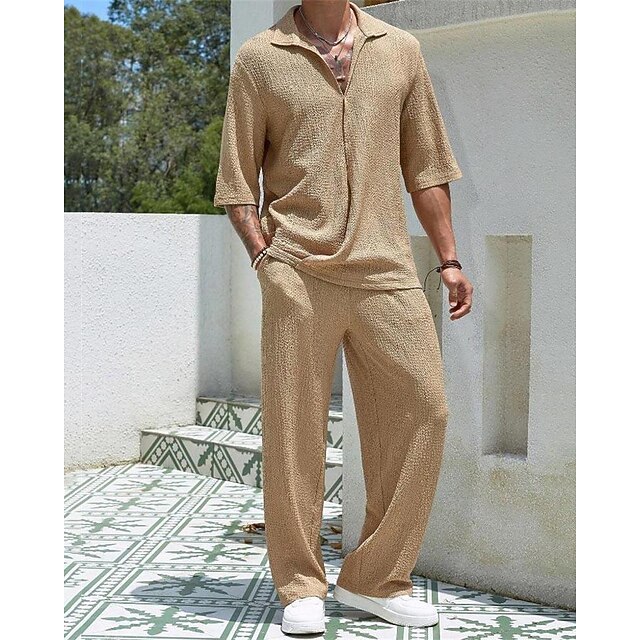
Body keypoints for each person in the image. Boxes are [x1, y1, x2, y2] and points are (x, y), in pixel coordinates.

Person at [213, 0, 473, 633]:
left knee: (424, 410)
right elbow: (237, 182)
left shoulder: (400, 50)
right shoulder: (260, 58)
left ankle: (375, 578)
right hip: (297, 269)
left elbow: (426, 167)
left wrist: (448, 259)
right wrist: (264, 259)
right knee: (293, 428)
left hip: (386, 269)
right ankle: (301, 585)